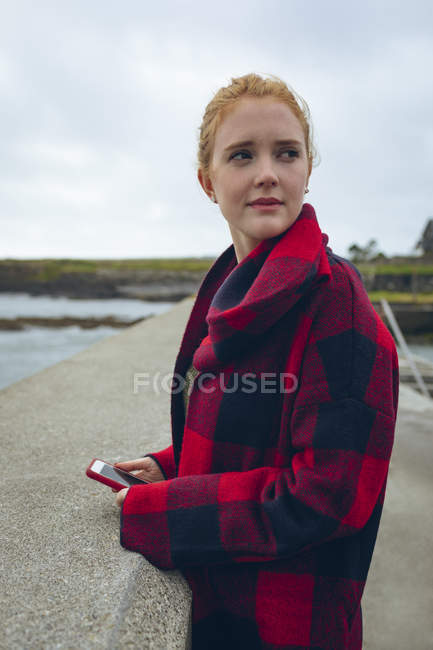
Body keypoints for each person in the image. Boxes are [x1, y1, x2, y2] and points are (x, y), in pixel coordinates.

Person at [113, 73, 399, 649]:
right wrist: (173, 465)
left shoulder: (332, 300)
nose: (267, 172)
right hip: (223, 611)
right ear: (207, 182)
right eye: (242, 155)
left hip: (291, 628)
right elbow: (265, 425)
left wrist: (162, 513)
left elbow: (328, 494)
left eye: (286, 153)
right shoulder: (236, 286)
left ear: (307, 171)